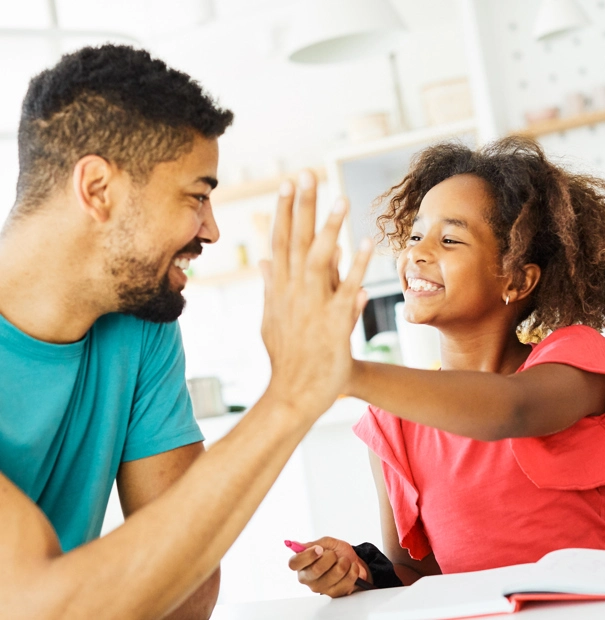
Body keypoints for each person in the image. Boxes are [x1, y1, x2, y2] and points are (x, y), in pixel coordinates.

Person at [0, 44, 372, 618]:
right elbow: (35, 603)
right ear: (97, 189)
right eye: (197, 196)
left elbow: (188, 593)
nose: (213, 229)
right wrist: (291, 396)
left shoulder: (140, 326)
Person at [289, 137, 605, 597]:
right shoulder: (392, 421)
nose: (417, 254)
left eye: (449, 239)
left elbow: (510, 411)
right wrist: (359, 571)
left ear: (518, 278)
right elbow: (418, 575)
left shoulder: (576, 362)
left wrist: (351, 373)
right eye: (415, 236)